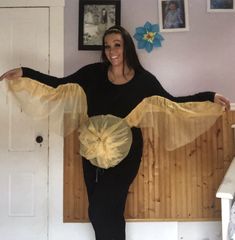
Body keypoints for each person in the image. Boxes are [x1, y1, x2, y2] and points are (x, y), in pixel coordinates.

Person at [0, 25, 230, 240]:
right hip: (92, 150)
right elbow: (58, 84)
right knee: (98, 211)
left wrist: (209, 96)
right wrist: (25, 71)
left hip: (126, 153)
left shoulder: (144, 81)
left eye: (117, 45)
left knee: (104, 208)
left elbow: (174, 102)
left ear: (127, 46)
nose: (112, 51)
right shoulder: (92, 73)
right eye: (107, 46)